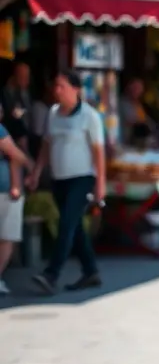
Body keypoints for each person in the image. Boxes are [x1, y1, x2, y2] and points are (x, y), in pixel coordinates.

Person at [27, 71, 105, 294]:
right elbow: (46, 145)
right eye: (56, 86)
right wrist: (36, 172)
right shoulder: (52, 113)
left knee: (66, 225)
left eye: (62, 86)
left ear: (75, 89)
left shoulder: (89, 116)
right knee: (75, 227)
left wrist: (100, 184)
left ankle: (51, 274)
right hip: (59, 179)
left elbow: (98, 153)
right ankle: (91, 271)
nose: (57, 90)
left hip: (82, 178)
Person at [0, 118, 30, 295]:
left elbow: (14, 156)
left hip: (6, 189)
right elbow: (16, 156)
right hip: (5, 189)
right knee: (6, 236)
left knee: (5, 236)